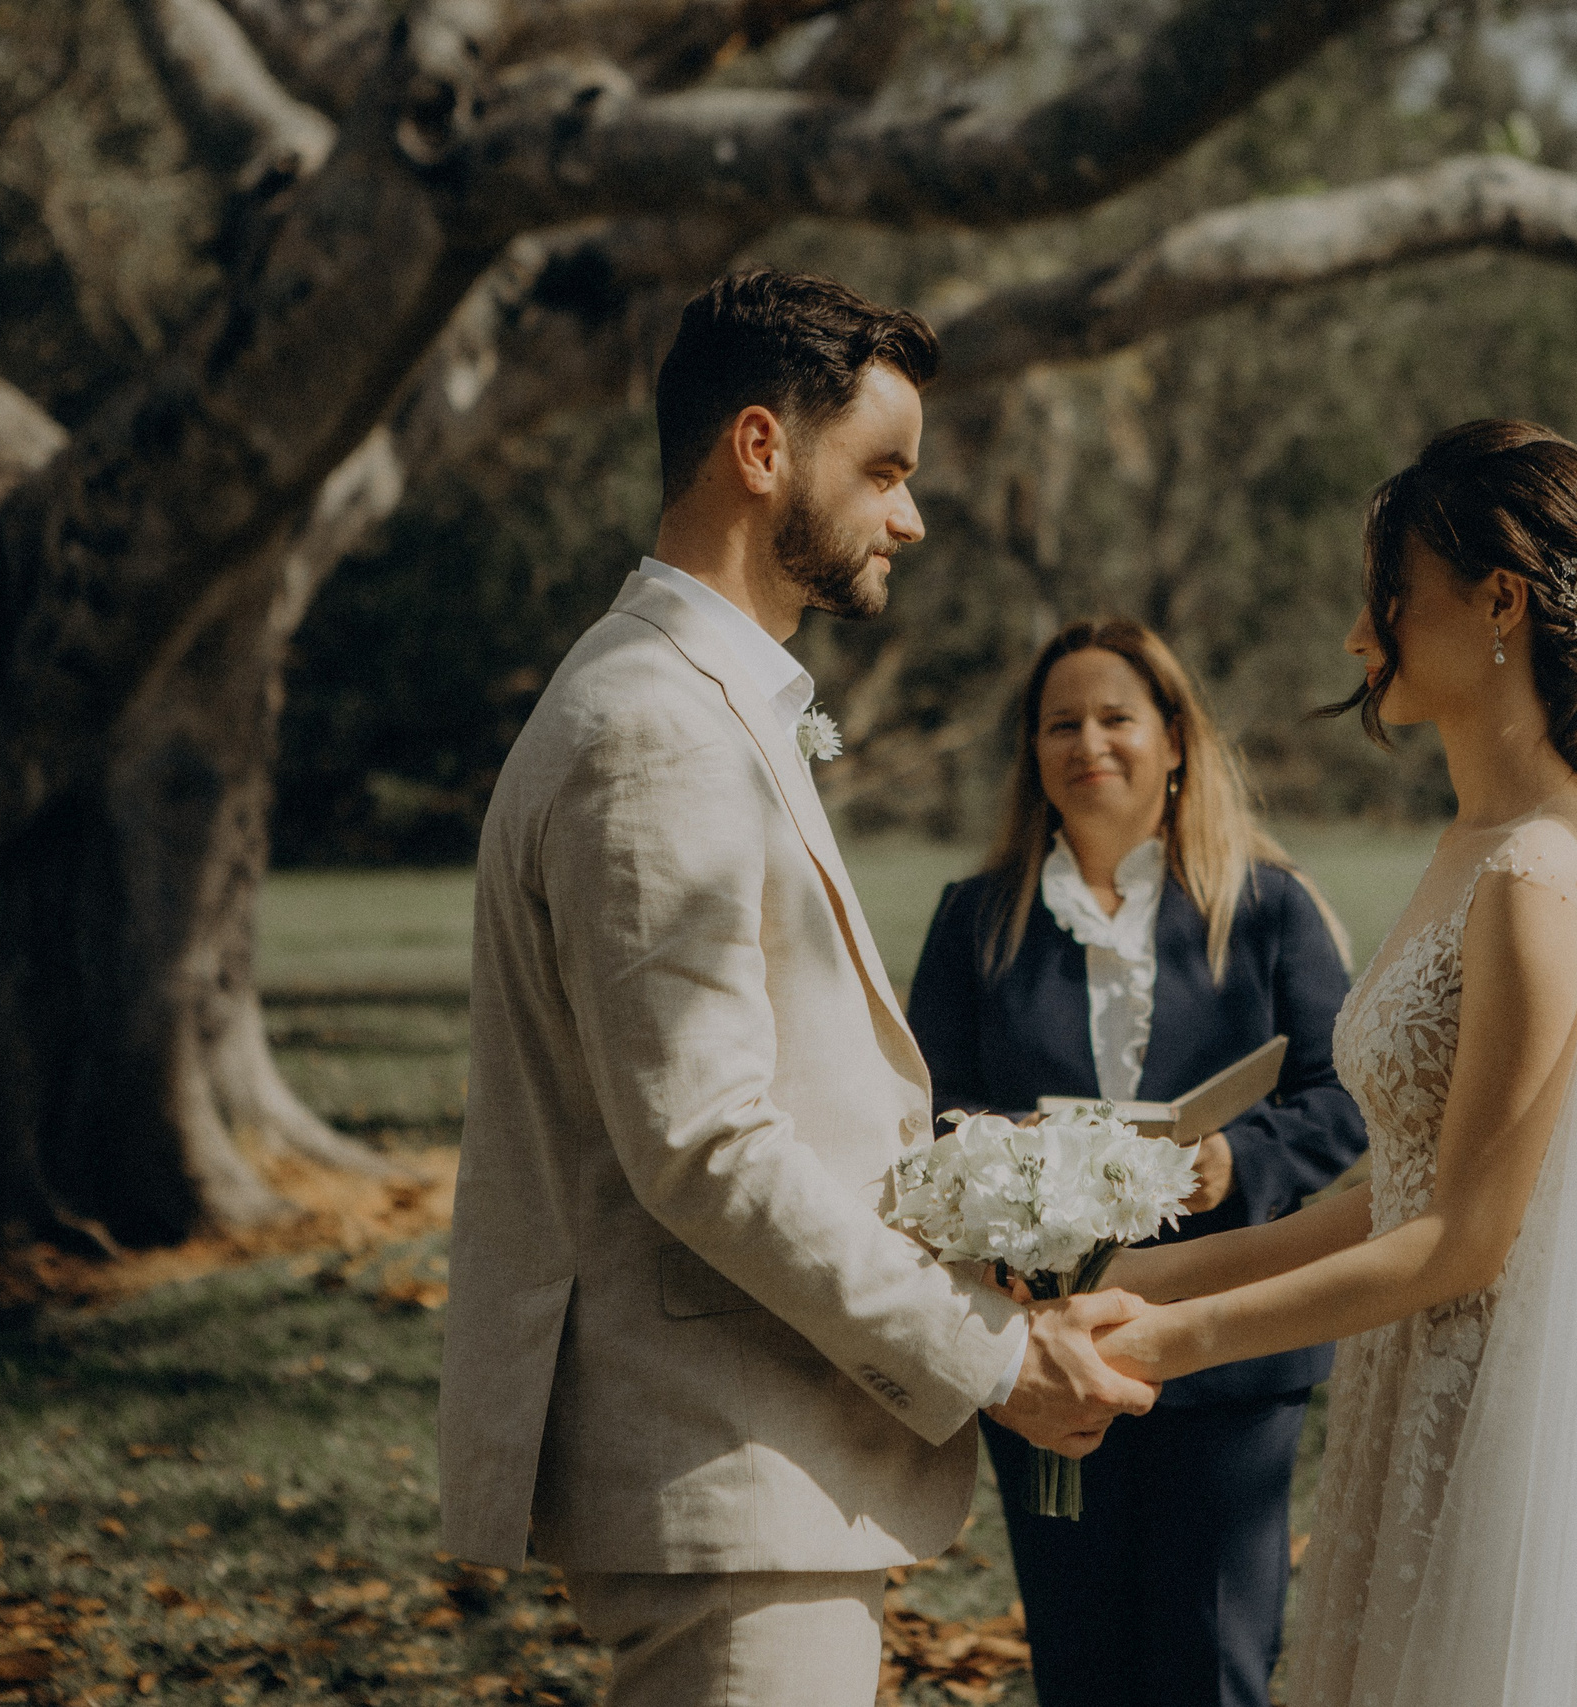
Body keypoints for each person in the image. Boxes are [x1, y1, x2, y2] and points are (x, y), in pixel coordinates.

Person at [435, 270, 1158, 1707]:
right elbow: (702, 1143)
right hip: (719, 1464)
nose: (912, 514)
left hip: (763, 1461)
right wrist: (991, 1355)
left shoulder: (698, 699)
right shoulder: (653, 728)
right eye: (885, 469)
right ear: (761, 449)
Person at [1091, 422, 1577, 1707]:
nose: (1361, 639)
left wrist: (1167, 1341)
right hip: (1413, 1395)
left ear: (1499, 604)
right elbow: (1404, 1191)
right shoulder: (1471, 847)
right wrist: (1132, 1274)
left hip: (1508, 1429)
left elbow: (1465, 1240)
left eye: (1386, 598)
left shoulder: (1540, 878)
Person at [907, 619, 1367, 1707]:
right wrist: (1001, 1164)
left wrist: (1238, 1160)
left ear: (1174, 739)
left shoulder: (1265, 906)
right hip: (1047, 1345)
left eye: (1116, 718)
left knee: (1212, 1669)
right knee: (1082, 1669)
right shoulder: (976, 920)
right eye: (1059, 723)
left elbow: (1343, 1094)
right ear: (1031, 751)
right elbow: (923, 1106)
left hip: (1230, 1358)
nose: (1087, 743)